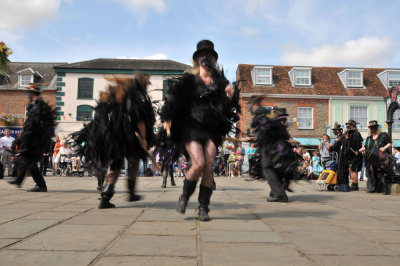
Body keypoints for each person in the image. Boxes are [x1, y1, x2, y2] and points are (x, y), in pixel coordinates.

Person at [161, 40, 240, 221]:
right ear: (197, 60)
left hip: (212, 127)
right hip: (192, 126)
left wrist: (231, 95)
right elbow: (173, 98)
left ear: (213, 59)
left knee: (208, 165)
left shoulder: (221, 81)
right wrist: (167, 117)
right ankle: (184, 196)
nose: (206, 58)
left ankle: (203, 206)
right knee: (198, 163)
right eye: (203, 55)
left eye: (210, 56)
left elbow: (229, 105)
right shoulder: (189, 80)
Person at [70, 73, 155, 208]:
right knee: (133, 162)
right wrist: (144, 139)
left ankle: (105, 198)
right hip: (129, 137)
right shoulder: (135, 96)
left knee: (115, 167)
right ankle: (131, 193)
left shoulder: (113, 95)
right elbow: (140, 120)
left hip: (112, 137)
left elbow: (101, 116)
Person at [244, 97, 301, 202]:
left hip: (272, 148)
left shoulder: (262, 118)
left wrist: (253, 138)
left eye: (251, 107)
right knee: (277, 169)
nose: (250, 109)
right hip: (280, 148)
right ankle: (275, 192)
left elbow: (263, 134)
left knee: (267, 168)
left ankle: (280, 194)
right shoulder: (273, 119)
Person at [8, 84, 56, 191]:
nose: (27, 95)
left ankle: (41, 185)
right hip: (32, 140)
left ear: (32, 93)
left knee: (29, 162)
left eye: (29, 93)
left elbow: (36, 125)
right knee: (26, 160)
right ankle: (19, 181)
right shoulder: (35, 105)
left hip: (35, 141)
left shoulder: (39, 106)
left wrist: (29, 137)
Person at [357, 120, 392, 194]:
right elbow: (365, 147)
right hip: (371, 158)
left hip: (381, 157)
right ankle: (374, 188)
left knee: (381, 172)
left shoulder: (383, 135)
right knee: (372, 172)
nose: (373, 129)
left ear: (377, 127)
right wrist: (358, 151)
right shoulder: (369, 138)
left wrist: (384, 148)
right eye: (371, 128)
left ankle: (385, 189)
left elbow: (389, 143)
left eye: (374, 127)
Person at [345, 120, 363, 191]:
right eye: (347, 126)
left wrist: (347, 138)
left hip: (355, 154)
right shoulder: (350, 134)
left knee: (354, 169)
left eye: (349, 126)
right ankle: (353, 183)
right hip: (350, 154)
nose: (347, 127)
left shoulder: (356, 134)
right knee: (351, 169)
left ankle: (355, 185)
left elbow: (354, 144)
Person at [331, 123, 349, 191]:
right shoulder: (338, 137)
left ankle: (343, 185)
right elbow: (334, 148)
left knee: (342, 171)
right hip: (338, 156)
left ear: (338, 130)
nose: (334, 131)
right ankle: (339, 183)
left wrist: (337, 142)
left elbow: (344, 145)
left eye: (335, 130)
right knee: (339, 170)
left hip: (342, 156)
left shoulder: (342, 137)